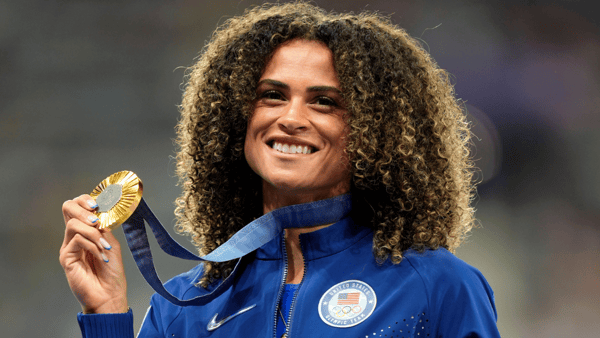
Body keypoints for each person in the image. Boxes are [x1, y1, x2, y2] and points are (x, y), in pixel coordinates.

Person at [60, 2, 500, 337]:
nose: (290, 117)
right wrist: (107, 312)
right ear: (237, 119)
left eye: (324, 101)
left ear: (375, 132)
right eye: (272, 95)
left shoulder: (438, 285)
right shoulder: (183, 306)